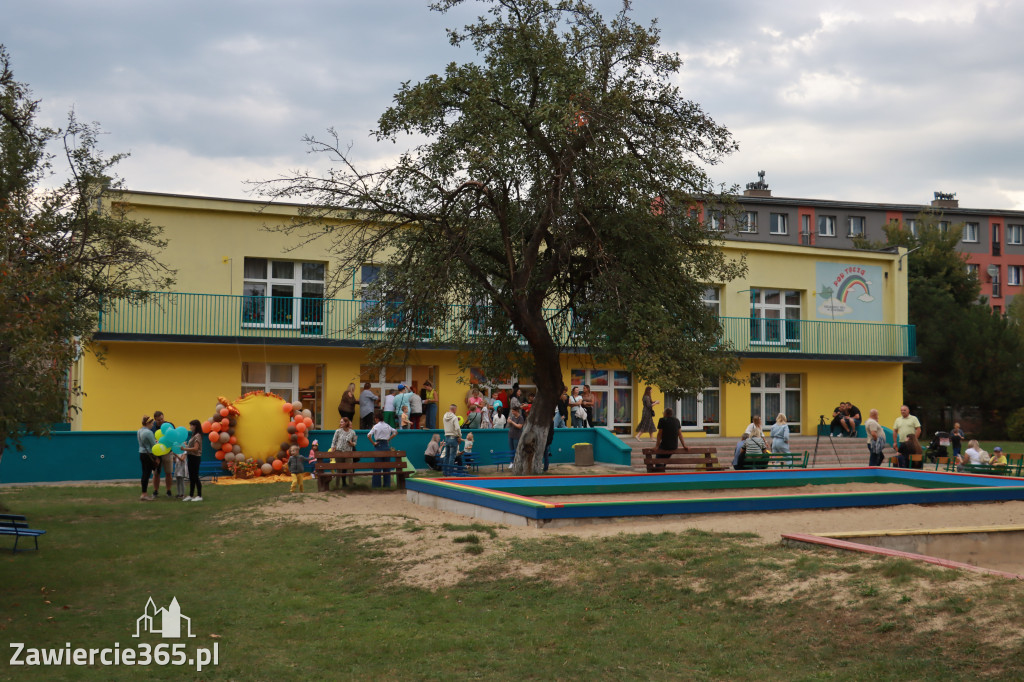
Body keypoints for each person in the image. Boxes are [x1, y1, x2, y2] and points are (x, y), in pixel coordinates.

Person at [367, 411, 398, 488]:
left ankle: (376, 485)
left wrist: (373, 443)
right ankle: (387, 485)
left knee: (377, 466)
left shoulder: (376, 426)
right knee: (387, 467)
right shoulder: (387, 426)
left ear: (376, 419)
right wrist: (389, 439)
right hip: (386, 446)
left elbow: (369, 435)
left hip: (378, 446)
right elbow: (395, 432)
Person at [329, 417, 358, 488]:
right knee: (339, 469)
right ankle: (337, 485)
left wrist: (352, 443)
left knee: (350, 469)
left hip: (348, 452)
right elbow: (334, 441)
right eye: (340, 422)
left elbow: (355, 442)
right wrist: (333, 447)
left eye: (342, 422)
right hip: (339, 451)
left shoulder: (352, 432)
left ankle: (351, 485)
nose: (340, 423)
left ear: (346, 423)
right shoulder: (338, 431)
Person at [151, 410, 174, 497]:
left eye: (162, 419)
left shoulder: (169, 426)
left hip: (168, 452)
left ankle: (168, 491)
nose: (161, 421)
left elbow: (173, 437)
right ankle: (155, 491)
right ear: (155, 420)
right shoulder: (152, 427)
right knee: (156, 473)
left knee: (168, 472)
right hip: (156, 453)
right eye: (158, 420)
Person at [653, 407, 684, 471]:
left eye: (663, 412)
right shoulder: (677, 420)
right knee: (664, 459)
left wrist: (656, 446)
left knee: (658, 458)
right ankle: (661, 468)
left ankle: (659, 470)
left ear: (665, 413)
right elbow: (680, 434)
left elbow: (659, 434)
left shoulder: (662, 420)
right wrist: (684, 446)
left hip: (665, 446)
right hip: (674, 446)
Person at [181, 419, 204, 502]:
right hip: (191, 457)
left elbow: (195, 448)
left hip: (195, 458)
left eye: (191, 425)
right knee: (191, 477)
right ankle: (191, 495)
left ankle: (199, 495)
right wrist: (186, 445)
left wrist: (185, 448)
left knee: (195, 476)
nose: (190, 427)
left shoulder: (198, 435)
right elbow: (192, 446)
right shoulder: (194, 435)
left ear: (195, 426)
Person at [137, 416, 158, 501]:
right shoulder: (148, 432)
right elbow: (154, 445)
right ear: (148, 423)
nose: (152, 425)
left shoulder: (139, 431)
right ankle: (144, 494)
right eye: (152, 423)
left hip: (142, 453)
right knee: (147, 473)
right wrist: (156, 457)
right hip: (148, 454)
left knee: (144, 473)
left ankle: (143, 492)